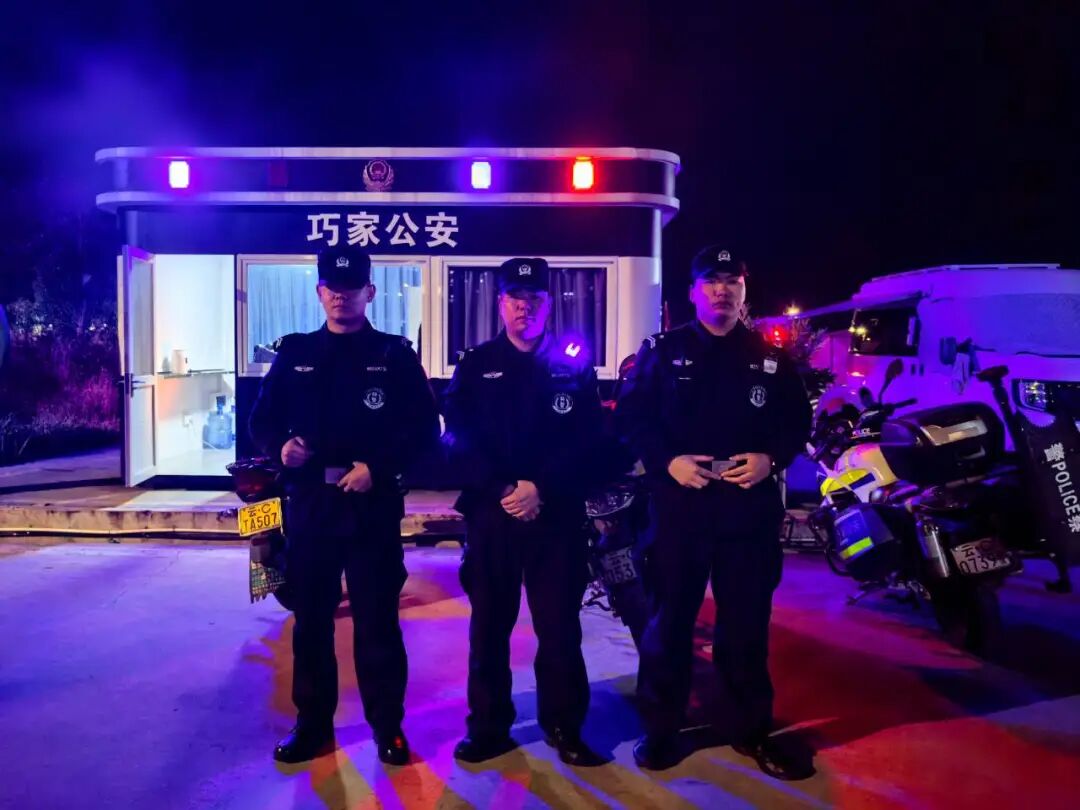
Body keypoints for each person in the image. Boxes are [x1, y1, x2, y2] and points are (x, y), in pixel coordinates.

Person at [616, 245, 814, 780]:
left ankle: (750, 728)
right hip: (681, 506)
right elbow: (632, 418)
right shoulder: (663, 351)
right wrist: (668, 461)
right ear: (693, 291)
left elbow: (797, 423)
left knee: (745, 626)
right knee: (669, 623)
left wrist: (772, 459)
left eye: (731, 281)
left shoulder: (770, 357)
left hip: (746, 508)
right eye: (711, 281)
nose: (721, 290)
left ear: (744, 290)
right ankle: (662, 730)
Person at [249, 245, 440, 765]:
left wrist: (378, 467)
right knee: (311, 622)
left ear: (369, 292)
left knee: (378, 622)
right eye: (332, 288)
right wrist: (279, 448)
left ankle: (388, 726)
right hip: (312, 506)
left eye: (351, 287)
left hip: (371, 508)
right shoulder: (295, 353)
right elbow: (262, 421)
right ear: (319, 293)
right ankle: (312, 724)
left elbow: (425, 431)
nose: (341, 296)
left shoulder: (394, 356)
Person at [442, 257, 604, 766]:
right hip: (493, 515)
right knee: (490, 628)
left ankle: (564, 726)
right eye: (516, 298)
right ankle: (488, 727)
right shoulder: (476, 365)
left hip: (556, 517)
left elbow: (589, 441)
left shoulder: (573, 364)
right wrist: (504, 489)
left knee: (559, 629)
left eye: (534, 299)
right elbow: (457, 439)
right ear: (500, 304)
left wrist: (541, 489)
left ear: (549, 305)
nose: (525, 308)